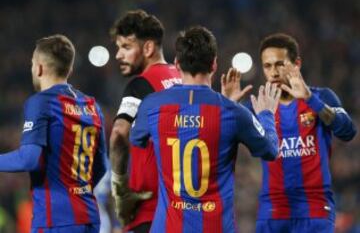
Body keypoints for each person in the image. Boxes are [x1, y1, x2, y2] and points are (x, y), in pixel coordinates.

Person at [129, 26, 281, 233]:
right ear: (214, 64)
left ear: (176, 63)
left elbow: (136, 139)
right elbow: (271, 150)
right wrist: (267, 115)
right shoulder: (232, 113)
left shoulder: (152, 105)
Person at [0, 34, 107, 233]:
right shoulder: (92, 105)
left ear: (39, 67)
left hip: (55, 219)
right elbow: (101, 166)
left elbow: (29, 159)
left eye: (32, 64)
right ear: (70, 69)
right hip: (90, 216)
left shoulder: (41, 102)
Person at [251, 33, 357, 233]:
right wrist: (227, 104)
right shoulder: (258, 107)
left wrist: (310, 99)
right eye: (267, 66)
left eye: (280, 64)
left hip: (315, 209)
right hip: (273, 211)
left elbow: (348, 131)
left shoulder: (321, 97)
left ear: (296, 63)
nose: (273, 72)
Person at [109, 9, 181, 233]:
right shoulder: (182, 77)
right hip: (184, 210)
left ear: (148, 47)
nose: (118, 55)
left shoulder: (142, 84)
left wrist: (119, 186)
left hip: (149, 212)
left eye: (126, 47)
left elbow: (119, 133)